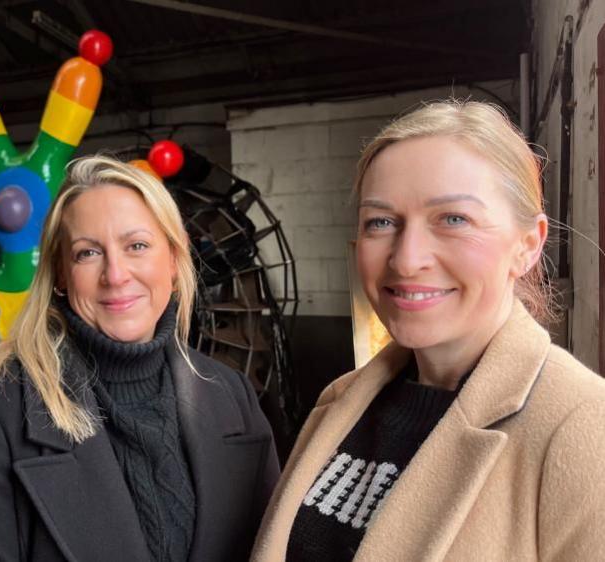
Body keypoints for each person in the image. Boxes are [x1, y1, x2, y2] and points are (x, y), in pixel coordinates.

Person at [251, 100, 605, 561]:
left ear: (527, 245)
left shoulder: (585, 429)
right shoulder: (340, 401)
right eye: (381, 222)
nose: (406, 258)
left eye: (453, 219)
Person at [0, 155, 279, 562]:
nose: (115, 275)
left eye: (137, 246)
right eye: (87, 253)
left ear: (174, 258)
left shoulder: (232, 394)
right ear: (60, 274)